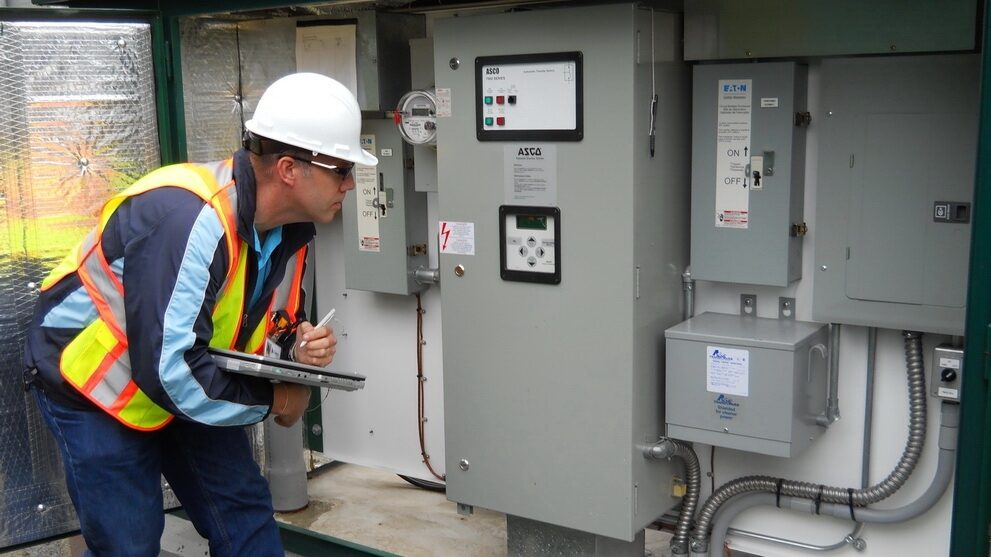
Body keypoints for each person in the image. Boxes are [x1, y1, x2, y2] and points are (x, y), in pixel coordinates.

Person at [22, 72, 377, 556]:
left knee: (245, 516)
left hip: (188, 374)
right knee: (128, 544)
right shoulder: (193, 217)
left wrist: (297, 346)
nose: (351, 184)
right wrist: (273, 402)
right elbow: (169, 372)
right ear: (290, 169)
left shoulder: (291, 232)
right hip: (97, 389)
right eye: (340, 168)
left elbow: (266, 328)